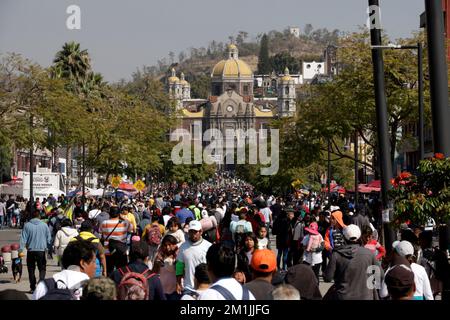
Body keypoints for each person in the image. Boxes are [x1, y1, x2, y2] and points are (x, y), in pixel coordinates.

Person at [324, 224, 380, 300]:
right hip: (366, 296)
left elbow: (328, 278)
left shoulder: (336, 254)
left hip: (342, 296)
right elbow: (379, 276)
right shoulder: (369, 254)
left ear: (344, 237)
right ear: (359, 237)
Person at [33, 240, 97, 300]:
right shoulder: (95, 290)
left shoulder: (45, 286)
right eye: (93, 262)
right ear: (83, 263)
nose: (95, 266)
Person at [19, 209, 52, 293]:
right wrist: (49, 249)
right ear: (39, 216)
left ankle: (32, 287)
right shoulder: (44, 225)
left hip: (30, 250)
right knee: (42, 268)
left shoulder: (27, 225)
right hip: (41, 250)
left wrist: (20, 250)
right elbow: (49, 239)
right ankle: (41, 282)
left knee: (31, 269)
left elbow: (23, 239)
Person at [176, 220, 212, 294]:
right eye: (191, 231)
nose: (193, 234)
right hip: (188, 288)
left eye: (195, 232)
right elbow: (179, 266)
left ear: (201, 232)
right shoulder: (183, 247)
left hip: (205, 288)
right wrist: (178, 283)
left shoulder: (208, 246)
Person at [99, 206, 133, 275]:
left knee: (109, 272)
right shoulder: (125, 223)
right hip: (121, 251)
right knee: (122, 273)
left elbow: (100, 235)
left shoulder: (104, 223)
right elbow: (131, 228)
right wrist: (122, 217)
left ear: (109, 213)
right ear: (119, 214)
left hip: (108, 252)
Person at [152, 235, 180, 300]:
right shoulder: (159, 256)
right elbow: (154, 272)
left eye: (170, 245)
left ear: (175, 244)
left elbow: (181, 272)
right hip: (162, 290)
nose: (167, 247)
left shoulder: (179, 256)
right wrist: (156, 264)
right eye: (165, 245)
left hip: (175, 290)